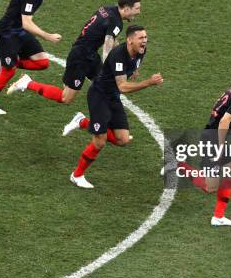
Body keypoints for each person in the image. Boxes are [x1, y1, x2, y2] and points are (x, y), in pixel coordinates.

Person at [164, 69, 231, 227]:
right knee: (210, 187)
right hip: (213, 139)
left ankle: (218, 216)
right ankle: (178, 165)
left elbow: (227, 121)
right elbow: (223, 122)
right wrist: (220, 146)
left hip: (213, 136)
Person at [64, 25, 163, 189]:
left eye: (145, 37)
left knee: (122, 139)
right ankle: (77, 175)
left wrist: (135, 70)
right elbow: (123, 87)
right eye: (141, 38)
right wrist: (149, 82)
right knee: (99, 141)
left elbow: (135, 65)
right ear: (130, 40)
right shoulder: (118, 56)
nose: (145, 41)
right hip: (99, 96)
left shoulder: (141, 50)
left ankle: (82, 122)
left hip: (112, 97)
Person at [4, 0, 141, 104]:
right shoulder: (116, 22)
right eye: (137, 9)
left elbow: (112, 39)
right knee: (66, 98)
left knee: (107, 88)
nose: (138, 12)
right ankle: (27, 83)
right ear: (126, 8)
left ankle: (110, 126)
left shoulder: (107, 9)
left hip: (90, 55)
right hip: (80, 58)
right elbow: (107, 45)